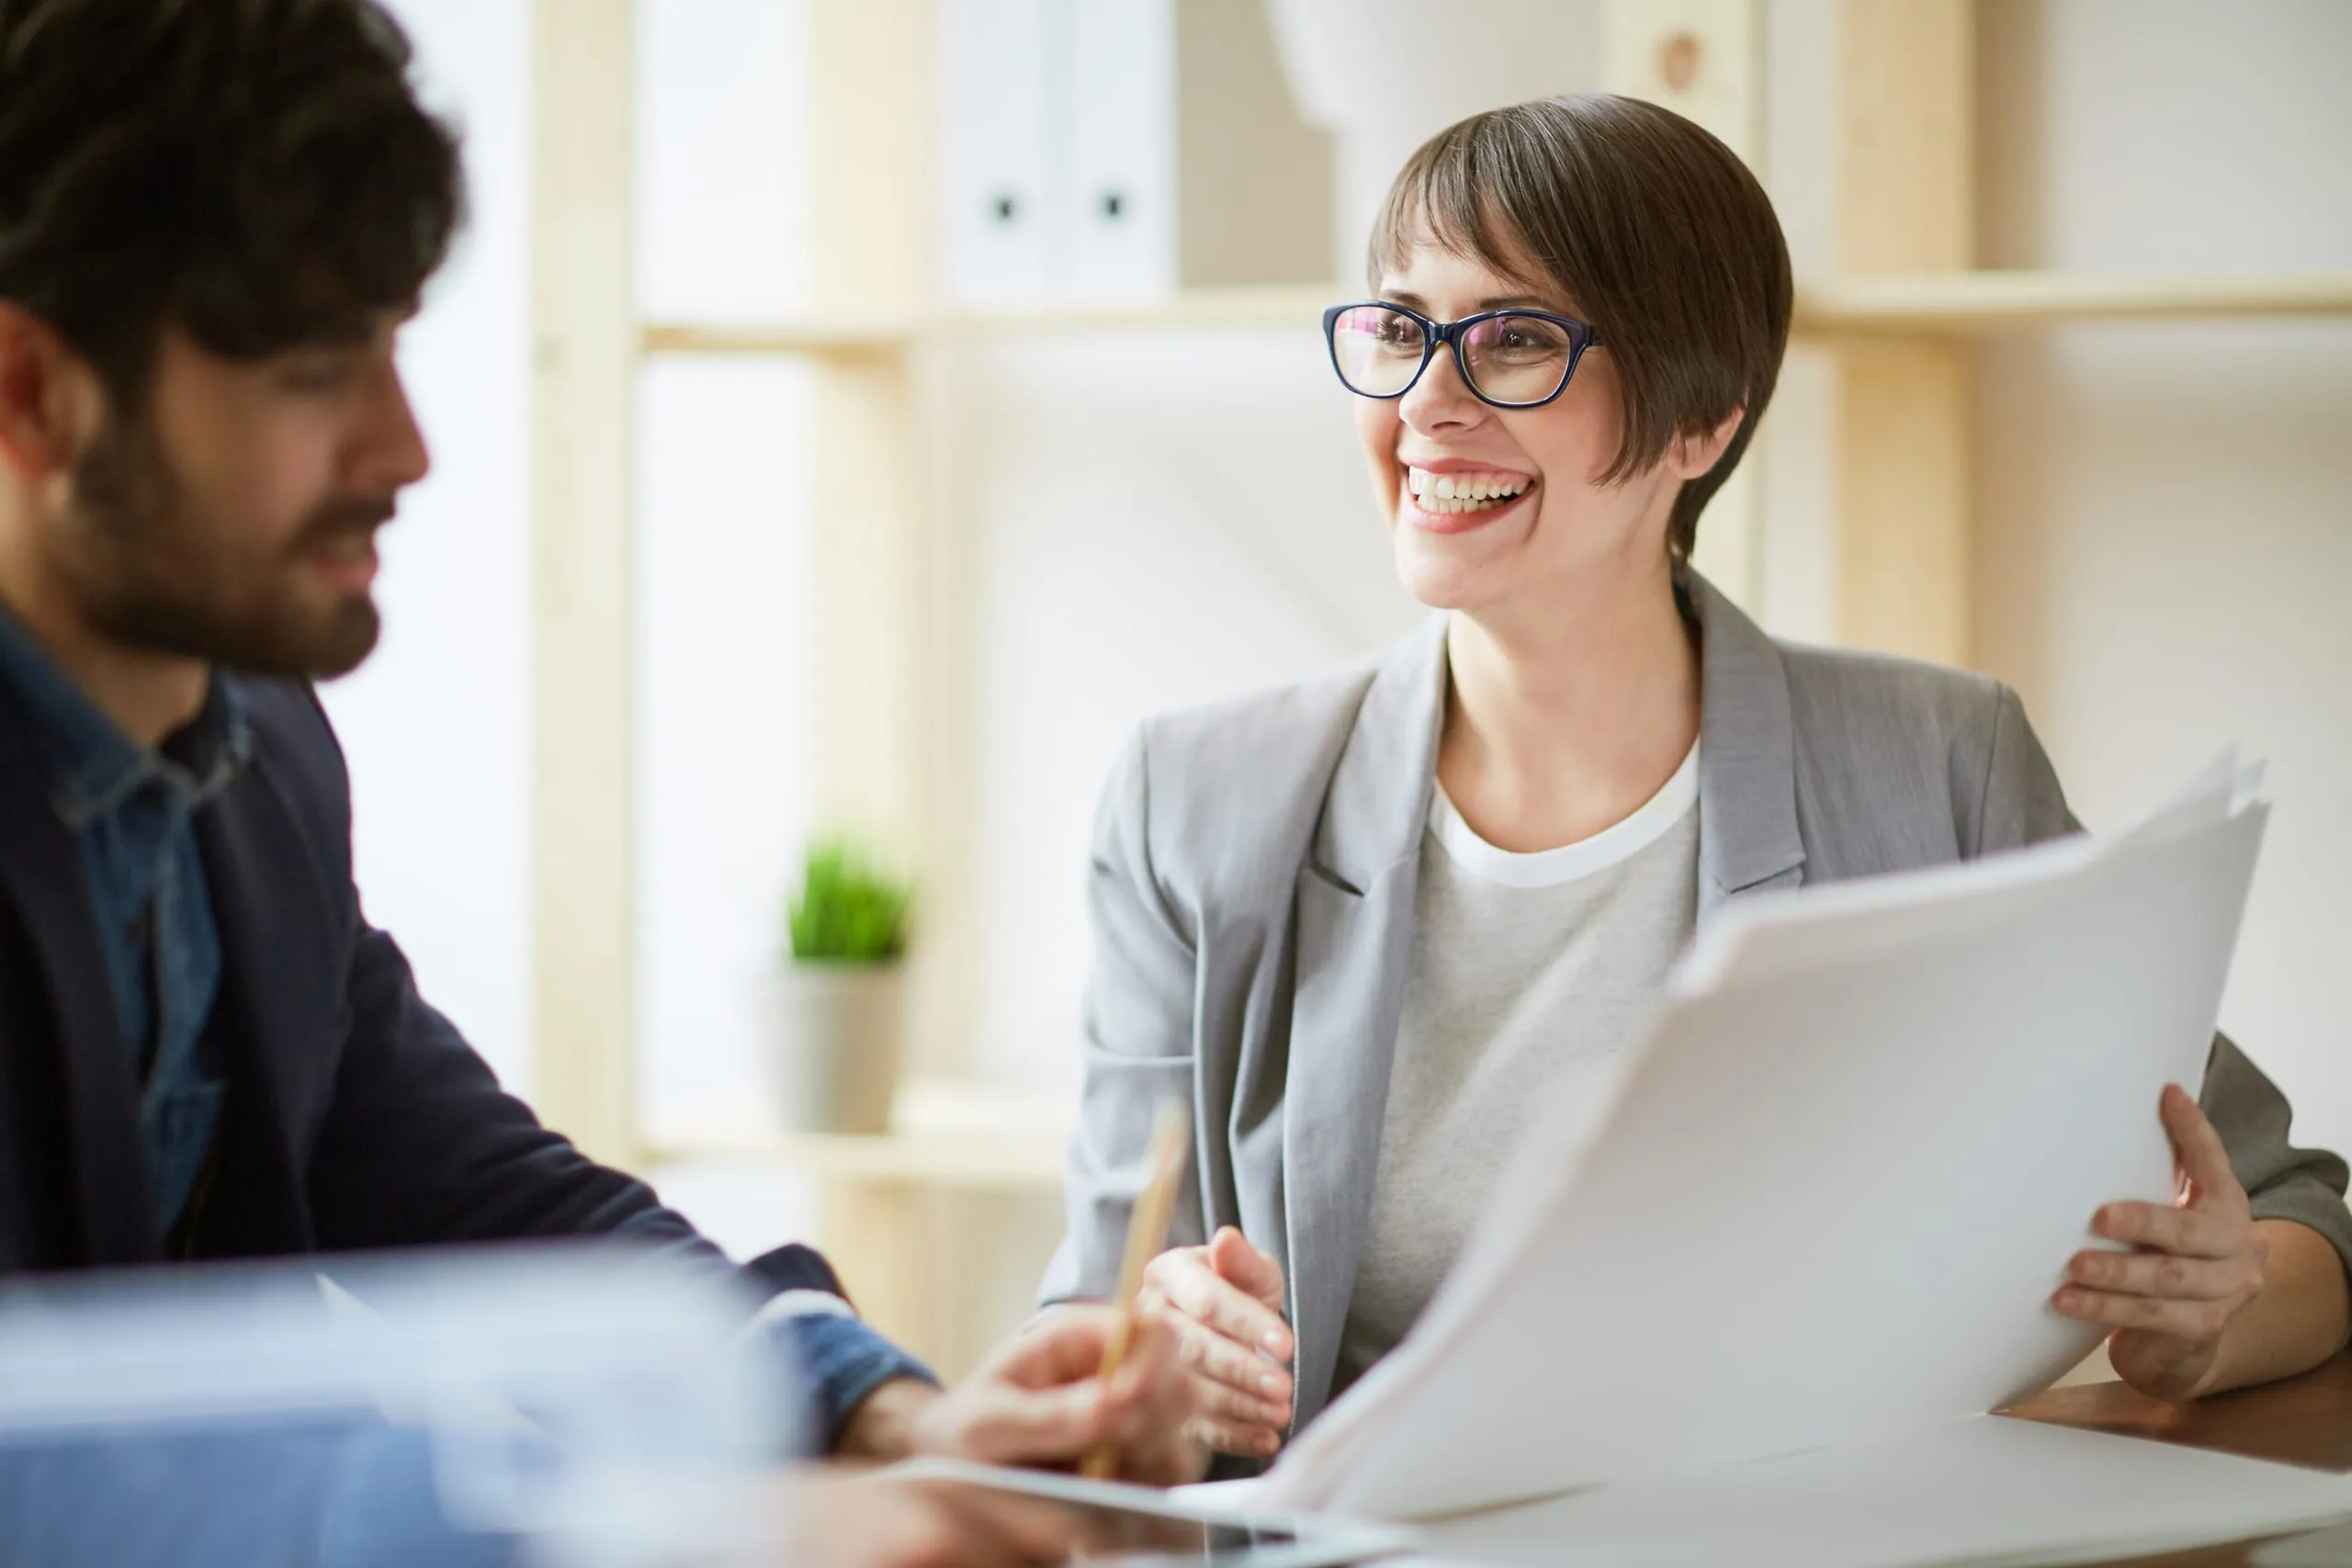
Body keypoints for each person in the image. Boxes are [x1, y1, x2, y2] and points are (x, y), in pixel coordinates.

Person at [0, 0, 1195, 1558]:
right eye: (312, 372)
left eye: (390, 342)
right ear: (31, 393)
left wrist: (885, 1415)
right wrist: (699, 1530)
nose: (405, 442)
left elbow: (475, 1195)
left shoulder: (258, 749)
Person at [1043, 93, 2352, 1468]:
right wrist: (1154, 1358)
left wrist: (2207, 1313)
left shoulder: (1934, 774)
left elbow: (2299, 1211)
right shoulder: (1196, 802)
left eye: (1518, 339)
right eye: (1400, 327)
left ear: (1702, 422)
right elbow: (1090, 1305)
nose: (1427, 401)